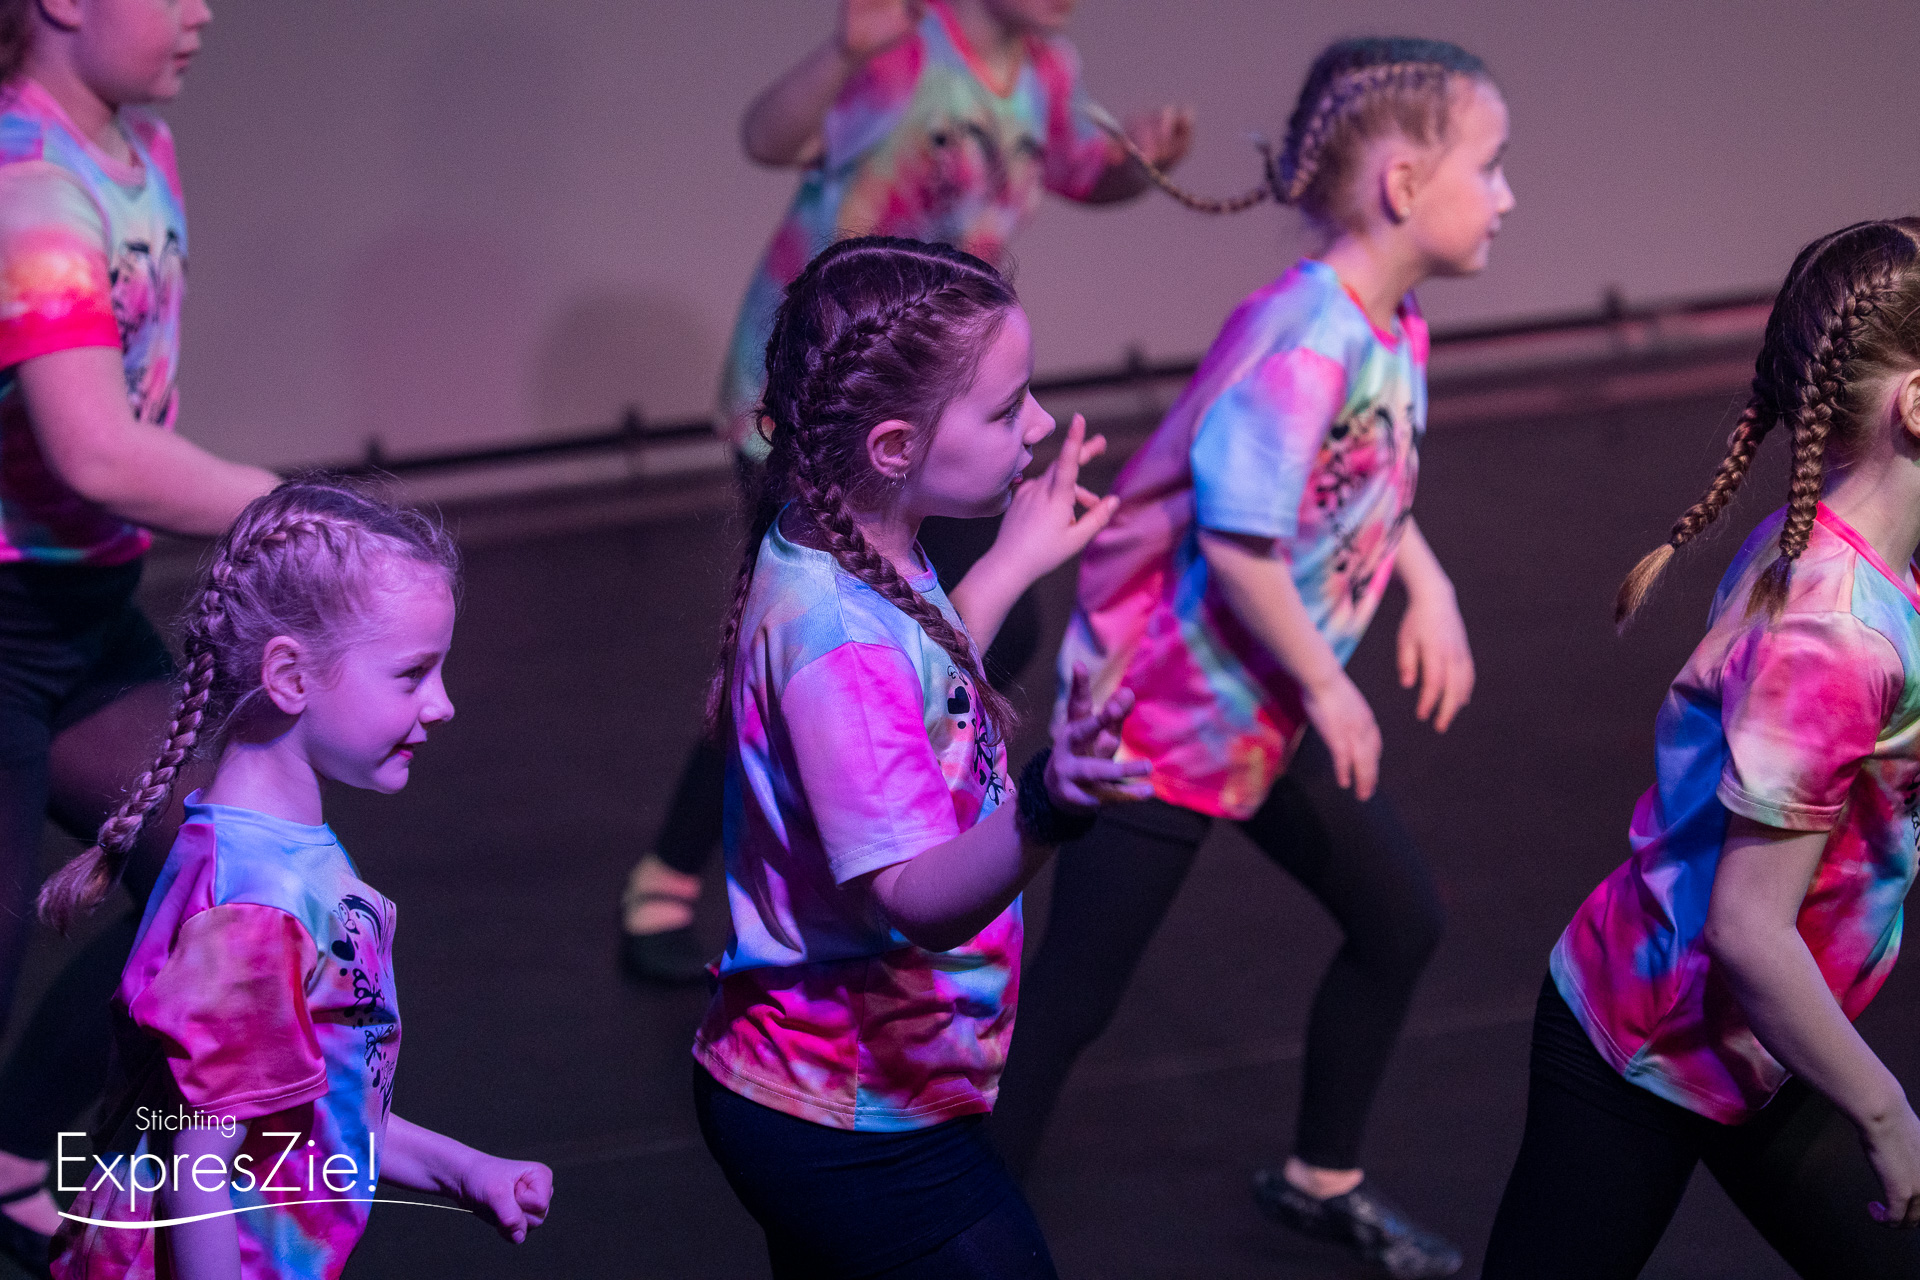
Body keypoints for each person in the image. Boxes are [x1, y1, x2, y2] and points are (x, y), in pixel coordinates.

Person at [989, 38, 1513, 1279]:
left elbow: (1357, 473)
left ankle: (1317, 1177)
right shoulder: (1305, 338)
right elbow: (1237, 536)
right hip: (1160, 713)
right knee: (1071, 997)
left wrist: (1428, 584)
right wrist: (1331, 679)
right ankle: (954, 1233)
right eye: (1489, 166)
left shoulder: (1390, 323)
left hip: (1261, 702)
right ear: (1403, 184)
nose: (1505, 196)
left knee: (1399, 921)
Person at [619, 0, 1193, 983]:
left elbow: (1078, 170)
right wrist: (843, 53)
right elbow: (770, 136)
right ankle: (684, 864)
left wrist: (1139, 161)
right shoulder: (907, 53)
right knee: (803, 651)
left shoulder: (1049, 73)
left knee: (932, 629)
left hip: (932, 415)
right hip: (835, 407)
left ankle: (868, 795)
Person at [692, 235, 1152, 1278]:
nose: (1040, 425)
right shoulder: (838, 643)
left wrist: (1009, 563)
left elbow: (923, 688)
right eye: (1006, 410)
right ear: (896, 446)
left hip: (844, 1092)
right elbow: (912, 895)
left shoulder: (845, 542)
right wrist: (1046, 802)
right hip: (848, 1114)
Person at [1481, 218, 1920, 1279]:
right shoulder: (1832, 634)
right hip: (1656, 1035)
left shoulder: (1846, 556)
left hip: (1761, 1042)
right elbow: (1747, 929)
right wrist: (1884, 1108)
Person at [45, 481, 554, 1280]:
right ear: (290, 676)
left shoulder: (266, 851)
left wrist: (465, 1170)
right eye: (412, 674)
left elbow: (317, 1114)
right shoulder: (259, 909)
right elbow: (198, 1164)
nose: (443, 704)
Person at [0, 0, 281, 1268]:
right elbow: (98, 451)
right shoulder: (29, 184)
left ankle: (17, 1145)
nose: (201, 9)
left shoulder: (134, 147)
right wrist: (297, 506)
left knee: (225, 868)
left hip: (83, 613)